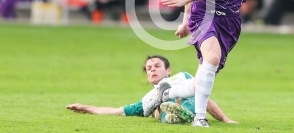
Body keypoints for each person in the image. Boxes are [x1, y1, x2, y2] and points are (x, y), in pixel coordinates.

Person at [66, 55, 237, 124]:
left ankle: (179, 113)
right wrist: (85, 107)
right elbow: (115, 111)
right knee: (158, 106)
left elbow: (206, 100)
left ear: (168, 70)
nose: (152, 69)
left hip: (192, 106)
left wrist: (225, 119)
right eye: (149, 68)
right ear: (147, 76)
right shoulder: (148, 99)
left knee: (191, 95)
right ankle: (169, 114)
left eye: (157, 66)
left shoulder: (183, 77)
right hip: (162, 107)